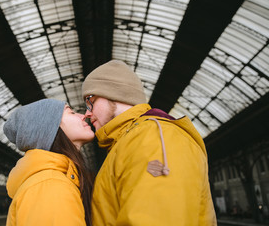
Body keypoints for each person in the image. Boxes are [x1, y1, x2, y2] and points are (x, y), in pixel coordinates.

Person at [82, 60, 217, 225]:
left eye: (90, 101)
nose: (87, 113)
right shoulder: (128, 142)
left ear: (113, 93)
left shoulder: (152, 138)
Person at [3, 99, 94, 226]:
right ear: (50, 128)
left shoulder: (49, 181)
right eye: (71, 112)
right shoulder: (51, 185)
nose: (83, 115)